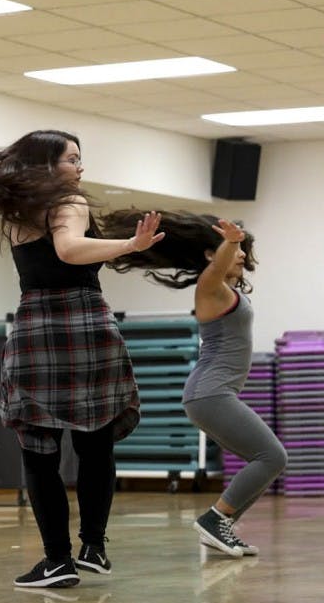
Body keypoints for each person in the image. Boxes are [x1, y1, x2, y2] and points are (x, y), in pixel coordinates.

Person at [0, 130, 164, 588]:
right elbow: (69, 249)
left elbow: (56, 249)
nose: (80, 167)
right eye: (72, 158)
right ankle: (92, 546)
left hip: (36, 324)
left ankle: (58, 559)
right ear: (46, 163)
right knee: (96, 442)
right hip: (84, 320)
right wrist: (128, 246)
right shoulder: (71, 201)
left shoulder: (16, 211)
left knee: (39, 451)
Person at [102, 211, 287, 557]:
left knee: (264, 459)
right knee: (272, 455)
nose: (243, 253)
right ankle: (216, 520)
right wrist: (230, 243)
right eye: (235, 248)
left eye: (243, 247)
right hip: (210, 393)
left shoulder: (227, 289)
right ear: (211, 254)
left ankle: (221, 525)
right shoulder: (210, 285)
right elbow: (218, 267)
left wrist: (232, 243)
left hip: (213, 394)